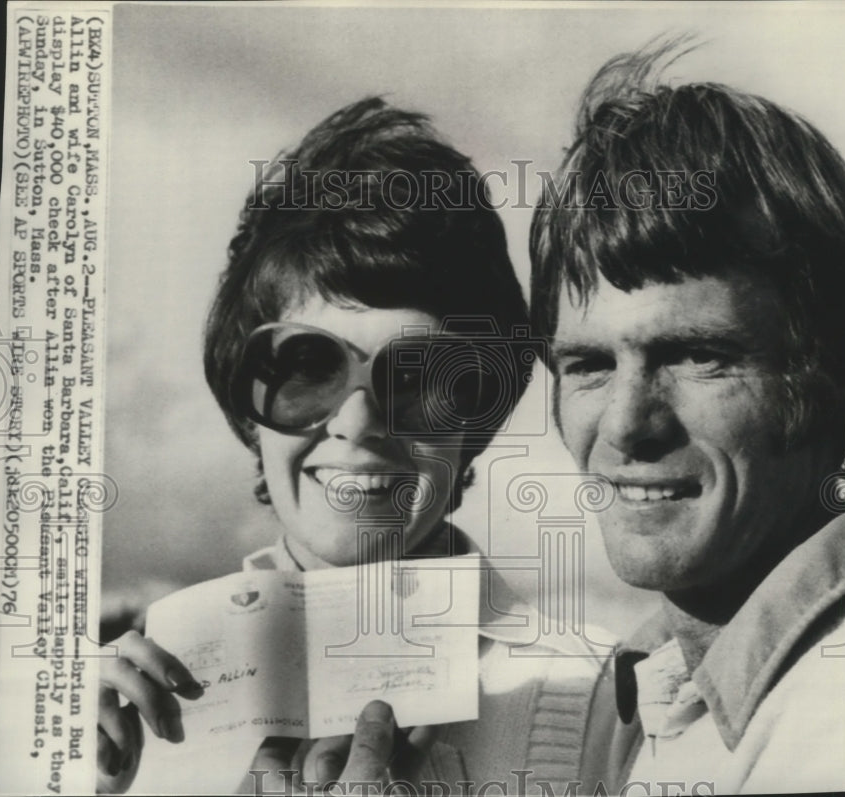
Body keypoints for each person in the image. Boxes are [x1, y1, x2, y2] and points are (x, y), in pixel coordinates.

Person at [97, 99, 604, 795]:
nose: (359, 420)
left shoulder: (599, 698)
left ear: (475, 419)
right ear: (251, 406)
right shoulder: (124, 708)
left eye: (419, 374)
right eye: (308, 366)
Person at [526, 40, 845, 793]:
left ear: (835, 374)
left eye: (695, 355)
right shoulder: (644, 695)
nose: (625, 424)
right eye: (588, 365)